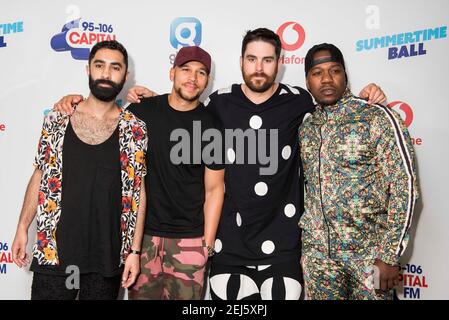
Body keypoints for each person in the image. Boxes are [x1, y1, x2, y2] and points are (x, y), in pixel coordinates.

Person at [57, 28, 385, 300]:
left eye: (267, 60)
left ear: (279, 65)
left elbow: (329, 93)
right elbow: (173, 111)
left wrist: (365, 93)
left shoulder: (297, 101)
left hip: (269, 245)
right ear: (241, 62)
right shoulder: (220, 104)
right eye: (252, 59)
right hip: (202, 245)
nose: (259, 67)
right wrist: (77, 100)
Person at [54, 46, 225, 300]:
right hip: (141, 240)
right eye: (185, 69)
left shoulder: (211, 123)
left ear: (207, 81)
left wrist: (206, 245)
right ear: (172, 72)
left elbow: (214, 189)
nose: (192, 77)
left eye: (201, 73)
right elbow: (103, 113)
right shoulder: (142, 112)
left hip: (189, 240)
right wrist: (72, 100)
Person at [11, 40, 148, 300]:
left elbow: (138, 191)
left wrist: (135, 251)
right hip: (54, 255)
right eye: (100, 65)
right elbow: (40, 174)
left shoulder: (135, 129)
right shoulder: (57, 118)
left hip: (106, 259)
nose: (106, 74)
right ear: (88, 69)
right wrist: (22, 227)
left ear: (125, 75)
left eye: (115, 67)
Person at [299, 43, 419, 300]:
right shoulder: (306, 125)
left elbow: (405, 186)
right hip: (319, 260)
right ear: (308, 81)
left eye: (335, 70)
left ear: (345, 75)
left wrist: (389, 255)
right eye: (317, 73)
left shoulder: (376, 116)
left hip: (370, 257)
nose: (327, 79)